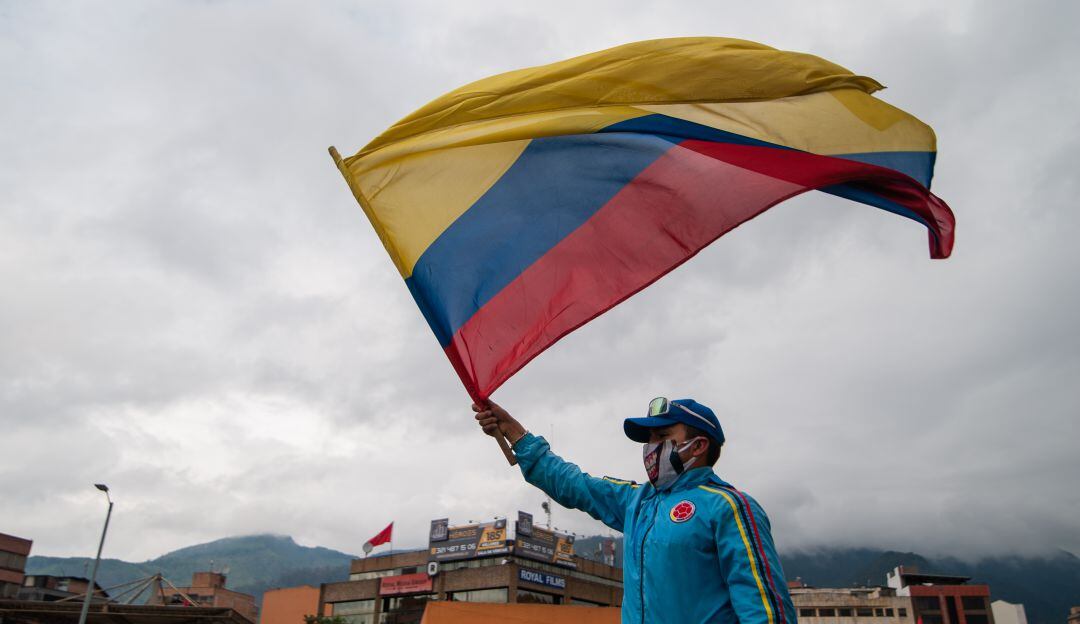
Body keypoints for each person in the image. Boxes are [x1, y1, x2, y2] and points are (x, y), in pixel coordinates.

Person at [474, 397, 795, 624]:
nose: (651, 446)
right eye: (649, 439)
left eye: (663, 436)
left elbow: (765, 611)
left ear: (699, 446)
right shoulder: (638, 501)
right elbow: (573, 484)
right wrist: (514, 431)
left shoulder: (730, 507)